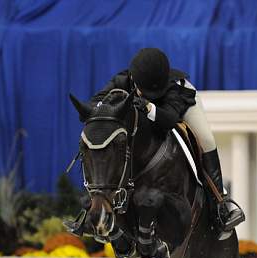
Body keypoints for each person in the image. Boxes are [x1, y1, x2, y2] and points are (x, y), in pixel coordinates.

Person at [90, 47, 244, 238]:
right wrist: (104, 106)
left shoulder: (176, 87)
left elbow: (170, 120)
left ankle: (221, 205)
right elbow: (95, 102)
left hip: (181, 108)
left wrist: (148, 106)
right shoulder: (122, 80)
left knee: (206, 140)